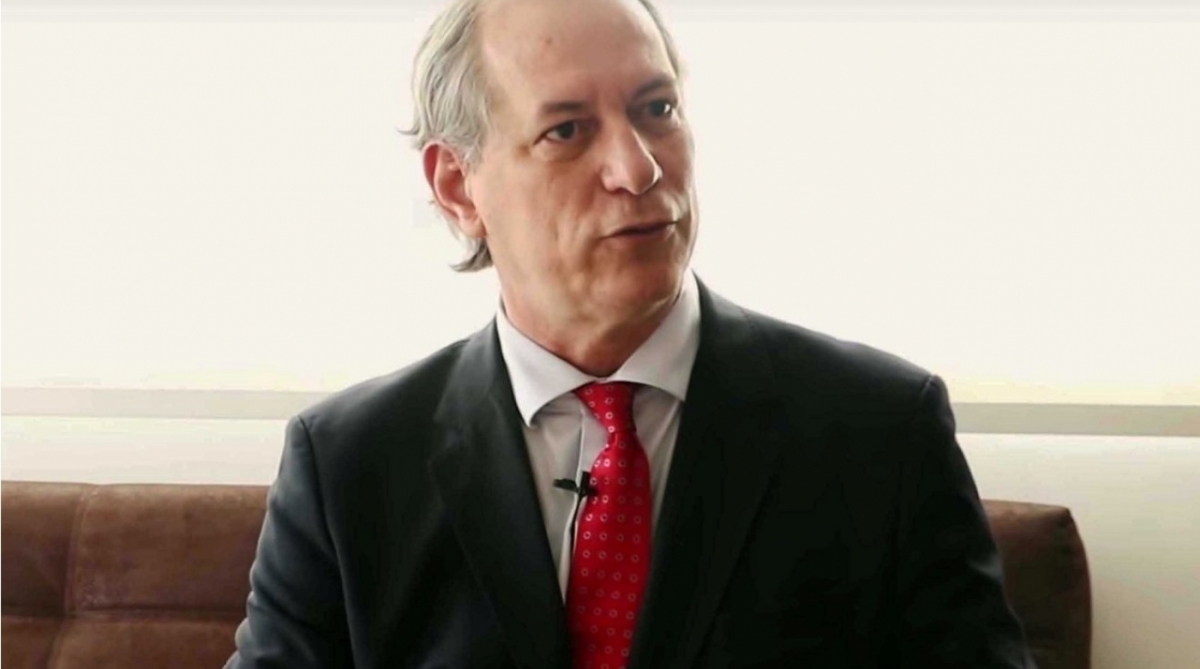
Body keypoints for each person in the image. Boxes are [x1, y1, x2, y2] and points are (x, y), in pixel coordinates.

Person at [226, 0, 1035, 666]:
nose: (638, 168)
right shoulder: (349, 465)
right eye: (567, 130)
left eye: (657, 110)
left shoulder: (881, 431)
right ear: (458, 186)